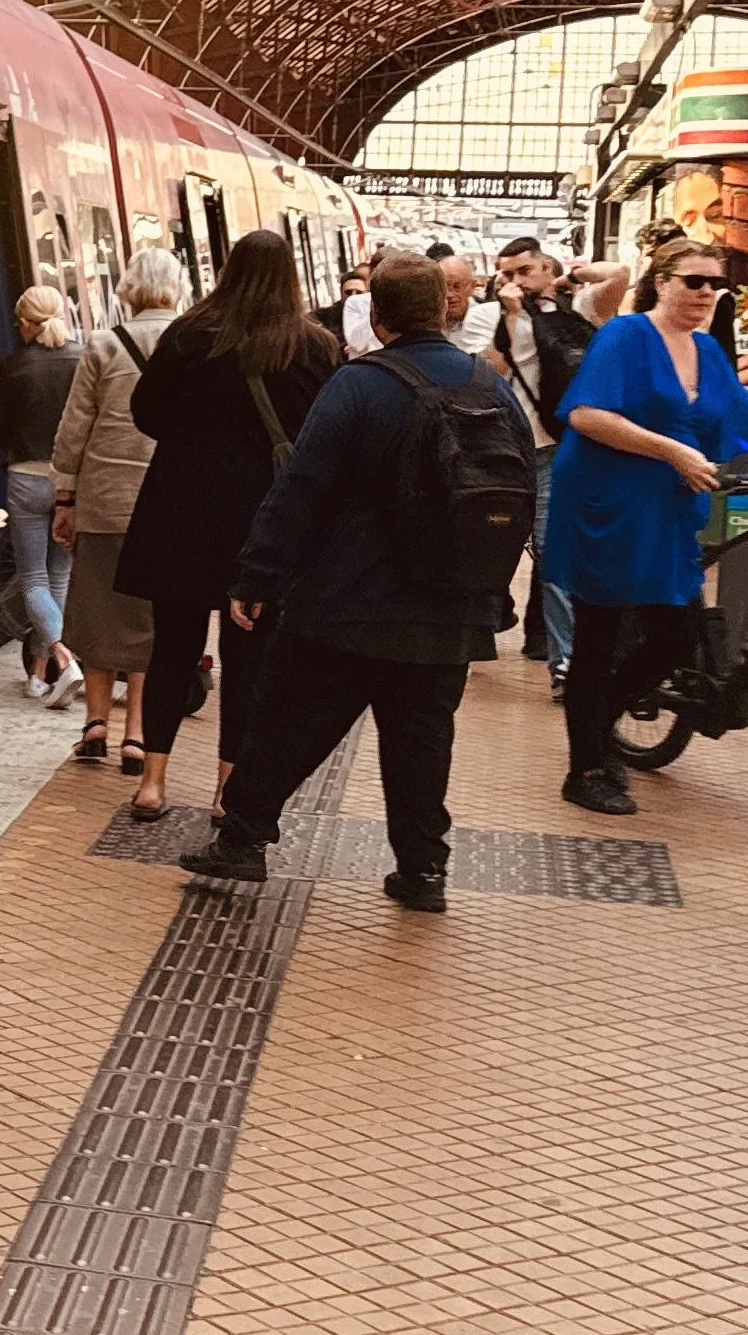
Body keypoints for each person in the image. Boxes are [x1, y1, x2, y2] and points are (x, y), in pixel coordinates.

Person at [178, 254, 514, 910]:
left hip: (349, 600)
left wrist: (257, 572)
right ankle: (422, 872)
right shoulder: (486, 383)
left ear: (376, 314)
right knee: (422, 740)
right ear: (447, 308)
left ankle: (241, 842)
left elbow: (302, 484)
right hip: (449, 608)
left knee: (289, 720)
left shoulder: (360, 383)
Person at [538, 239, 748, 813]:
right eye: (693, 281)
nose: (706, 293)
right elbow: (586, 414)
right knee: (601, 636)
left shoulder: (706, 350)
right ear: (662, 281)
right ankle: (585, 768)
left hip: (669, 509)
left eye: (715, 284)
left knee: (671, 639)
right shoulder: (626, 336)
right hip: (610, 504)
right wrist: (673, 452)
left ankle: (598, 727)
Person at [115, 228, 338, 826]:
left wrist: (196, 441)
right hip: (264, 527)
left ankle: (154, 784)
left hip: (181, 516)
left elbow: (146, 413)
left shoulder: (189, 335)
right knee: (249, 663)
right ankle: (224, 791)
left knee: (173, 652)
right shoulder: (313, 346)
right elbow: (321, 437)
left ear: (228, 271)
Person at [50, 250, 185, 770]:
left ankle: (95, 726)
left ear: (127, 288)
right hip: (168, 505)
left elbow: (74, 428)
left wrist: (65, 498)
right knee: (152, 621)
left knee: (97, 614)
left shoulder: (104, 345)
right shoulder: (193, 342)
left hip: (104, 500)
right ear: (175, 287)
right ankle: (137, 736)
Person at [486, 236, 604, 683]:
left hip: (559, 450)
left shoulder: (577, 312)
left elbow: (619, 277)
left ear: (545, 269)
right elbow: (495, 369)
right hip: (512, 452)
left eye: (523, 271)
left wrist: (572, 277)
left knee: (555, 553)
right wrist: (510, 313)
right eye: (507, 273)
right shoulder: (499, 316)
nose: (514, 281)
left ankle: (566, 662)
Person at [0, 284, 80, 707]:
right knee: (59, 577)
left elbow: (1, 430)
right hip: (69, 484)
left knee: (34, 578)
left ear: (26, 323)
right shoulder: (82, 358)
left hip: (27, 481)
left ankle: (60, 661)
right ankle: (40, 675)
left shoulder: (13, 367)